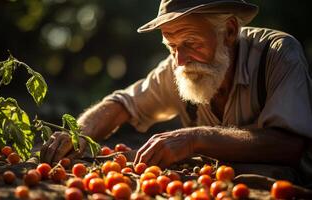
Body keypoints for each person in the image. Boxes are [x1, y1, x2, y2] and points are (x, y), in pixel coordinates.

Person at [41, 0, 312, 185]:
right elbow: (122, 104)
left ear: (229, 31)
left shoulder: (278, 55)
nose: (180, 60)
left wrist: (196, 139)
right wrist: (78, 135)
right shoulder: (180, 65)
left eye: (190, 42)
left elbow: (289, 145)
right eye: (171, 46)